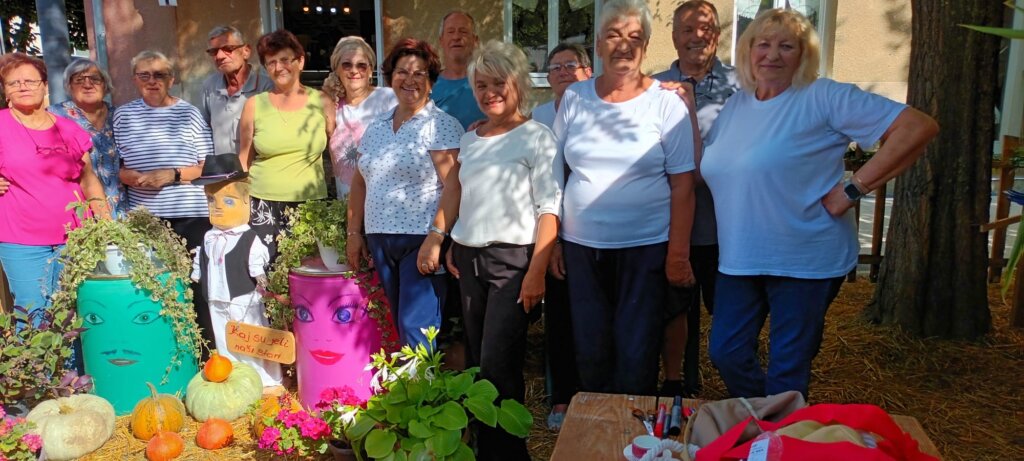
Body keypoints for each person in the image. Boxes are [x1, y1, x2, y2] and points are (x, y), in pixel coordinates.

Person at [702, 9, 938, 398]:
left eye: (786, 46)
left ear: (803, 55)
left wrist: (853, 189)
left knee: (788, 366)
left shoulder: (823, 96)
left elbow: (917, 127)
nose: (772, 55)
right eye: (763, 44)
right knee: (726, 351)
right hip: (740, 258)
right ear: (747, 51)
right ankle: (772, 421)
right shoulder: (737, 106)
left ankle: (779, 442)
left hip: (805, 260)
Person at [420, 40, 562, 459]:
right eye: (481, 84)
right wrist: (444, 237)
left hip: (513, 263)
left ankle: (508, 452)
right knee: (479, 362)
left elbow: (549, 207)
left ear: (517, 83)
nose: (489, 92)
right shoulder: (471, 137)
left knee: (500, 364)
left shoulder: (537, 136)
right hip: (468, 260)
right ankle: (484, 446)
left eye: (498, 82)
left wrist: (536, 271)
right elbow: (455, 191)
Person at [553, 0, 697, 395]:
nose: (624, 45)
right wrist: (554, 241)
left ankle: (634, 442)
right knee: (591, 349)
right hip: (582, 248)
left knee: (637, 352)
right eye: (614, 35)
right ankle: (596, 433)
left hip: (646, 247)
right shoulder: (575, 98)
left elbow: (683, 184)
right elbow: (555, 172)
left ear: (646, 46)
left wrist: (678, 254)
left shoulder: (666, 103)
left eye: (635, 37)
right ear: (598, 44)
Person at [346, 38, 462, 349]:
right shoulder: (377, 127)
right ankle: (410, 393)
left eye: (420, 73)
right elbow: (360, 181)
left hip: (420, 240)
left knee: (418, 326)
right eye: (401, 72)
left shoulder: (441, 126)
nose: (409, 80)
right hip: (380, 238)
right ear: (390, 78)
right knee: (398, 322)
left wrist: (437, 238)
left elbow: (454, 186)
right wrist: (354, 233)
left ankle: (421, 397)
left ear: (431, 82)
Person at [652, 0, 740, 398]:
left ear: (717, 35)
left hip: (727, 226)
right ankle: (679, 385)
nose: (696, 36)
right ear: (673, 37)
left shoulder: (742, 87)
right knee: (674, 311)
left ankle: (738, 388)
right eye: (687, 29)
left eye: (705, 28)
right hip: (673, 227)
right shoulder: (653, 87)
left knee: (729, 313)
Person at [114, 50, 215, 352]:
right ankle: (162, 351)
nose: (152, 81)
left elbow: (207, 166)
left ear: (171, 79)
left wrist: (169, 175)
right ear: (135, 79)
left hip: (191, 215)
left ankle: (203, 354)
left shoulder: (190, 113)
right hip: (147, 219)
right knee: (153, 287)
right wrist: (129, 177)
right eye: (144, 75)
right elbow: (114, 167)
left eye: (159, 74)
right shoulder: (123, 115)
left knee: (196, 286)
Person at [0, 52, 110, 318]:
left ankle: (73, 363)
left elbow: (88, 178)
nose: (23, 87)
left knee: (74, 312)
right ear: (5, 91)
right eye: (14, 83)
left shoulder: (68, 129)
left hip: (74, 237)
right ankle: (37, 362)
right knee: (33, 311)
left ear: (45, 86)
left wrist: (104, 218)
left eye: (30, 80)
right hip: (21, 241)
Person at [531, 42, 591, 431]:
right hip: (553, 228)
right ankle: (563, 397)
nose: (564, 72)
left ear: (589, 71)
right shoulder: (537, 117)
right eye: (555, 67)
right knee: (560, 318)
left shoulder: (600, 110)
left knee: (597, 317)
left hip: (593, 232)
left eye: (572, 64)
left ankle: (599, 393)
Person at [238, 29, 336, 259]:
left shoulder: (321, 101)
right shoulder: (254, 105)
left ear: (300, 61)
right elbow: (243, 159)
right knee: (267, 271)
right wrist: (239, 205)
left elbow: (336, 151)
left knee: (308, 270)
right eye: (271, 62)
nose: (279, 67)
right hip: (262, 203)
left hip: (310, 204)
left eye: (285, 59)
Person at [190, 154, 282, 388]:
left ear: (245, 202)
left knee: (252, 336)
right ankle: (233, 378)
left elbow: (256, 267)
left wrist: (263, 283)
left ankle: (265, 379)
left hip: (244, 297)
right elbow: (203, 259)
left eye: (227, 201)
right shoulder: (209, 236)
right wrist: (198, 274)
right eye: (211, 200)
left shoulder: (249, 238)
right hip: (215, 296)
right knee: (223, 337)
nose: (218, 206)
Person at [49, 57, 129, 217]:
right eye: (79, 79)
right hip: (77, 207)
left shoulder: (121, 116)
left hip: (122, 205)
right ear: (69, 86)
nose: (87, 84)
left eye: (95, 79)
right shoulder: (54, 116)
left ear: (105, 85)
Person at [323, 36, 397, 197]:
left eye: (361, 65)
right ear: (337, 69)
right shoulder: (331, 105)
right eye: (346, 64)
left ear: (371, 70)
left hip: (386, 199)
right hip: (346, 202)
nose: (354, 70)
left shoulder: (389, 99)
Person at [199, 25, 274, 157]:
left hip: (256, 171)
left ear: (246, 51)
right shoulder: (209, 86)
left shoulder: (266, 87)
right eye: (214, 52)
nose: (220, 56)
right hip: (222, 172)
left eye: (228, 49)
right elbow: (204, 131)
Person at [432, 10, 485, 130]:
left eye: (463, 32)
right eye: (450, 32)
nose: (456, 37)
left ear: (475, 40)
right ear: (441, 40)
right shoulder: (428, 85)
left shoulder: (488, 82)